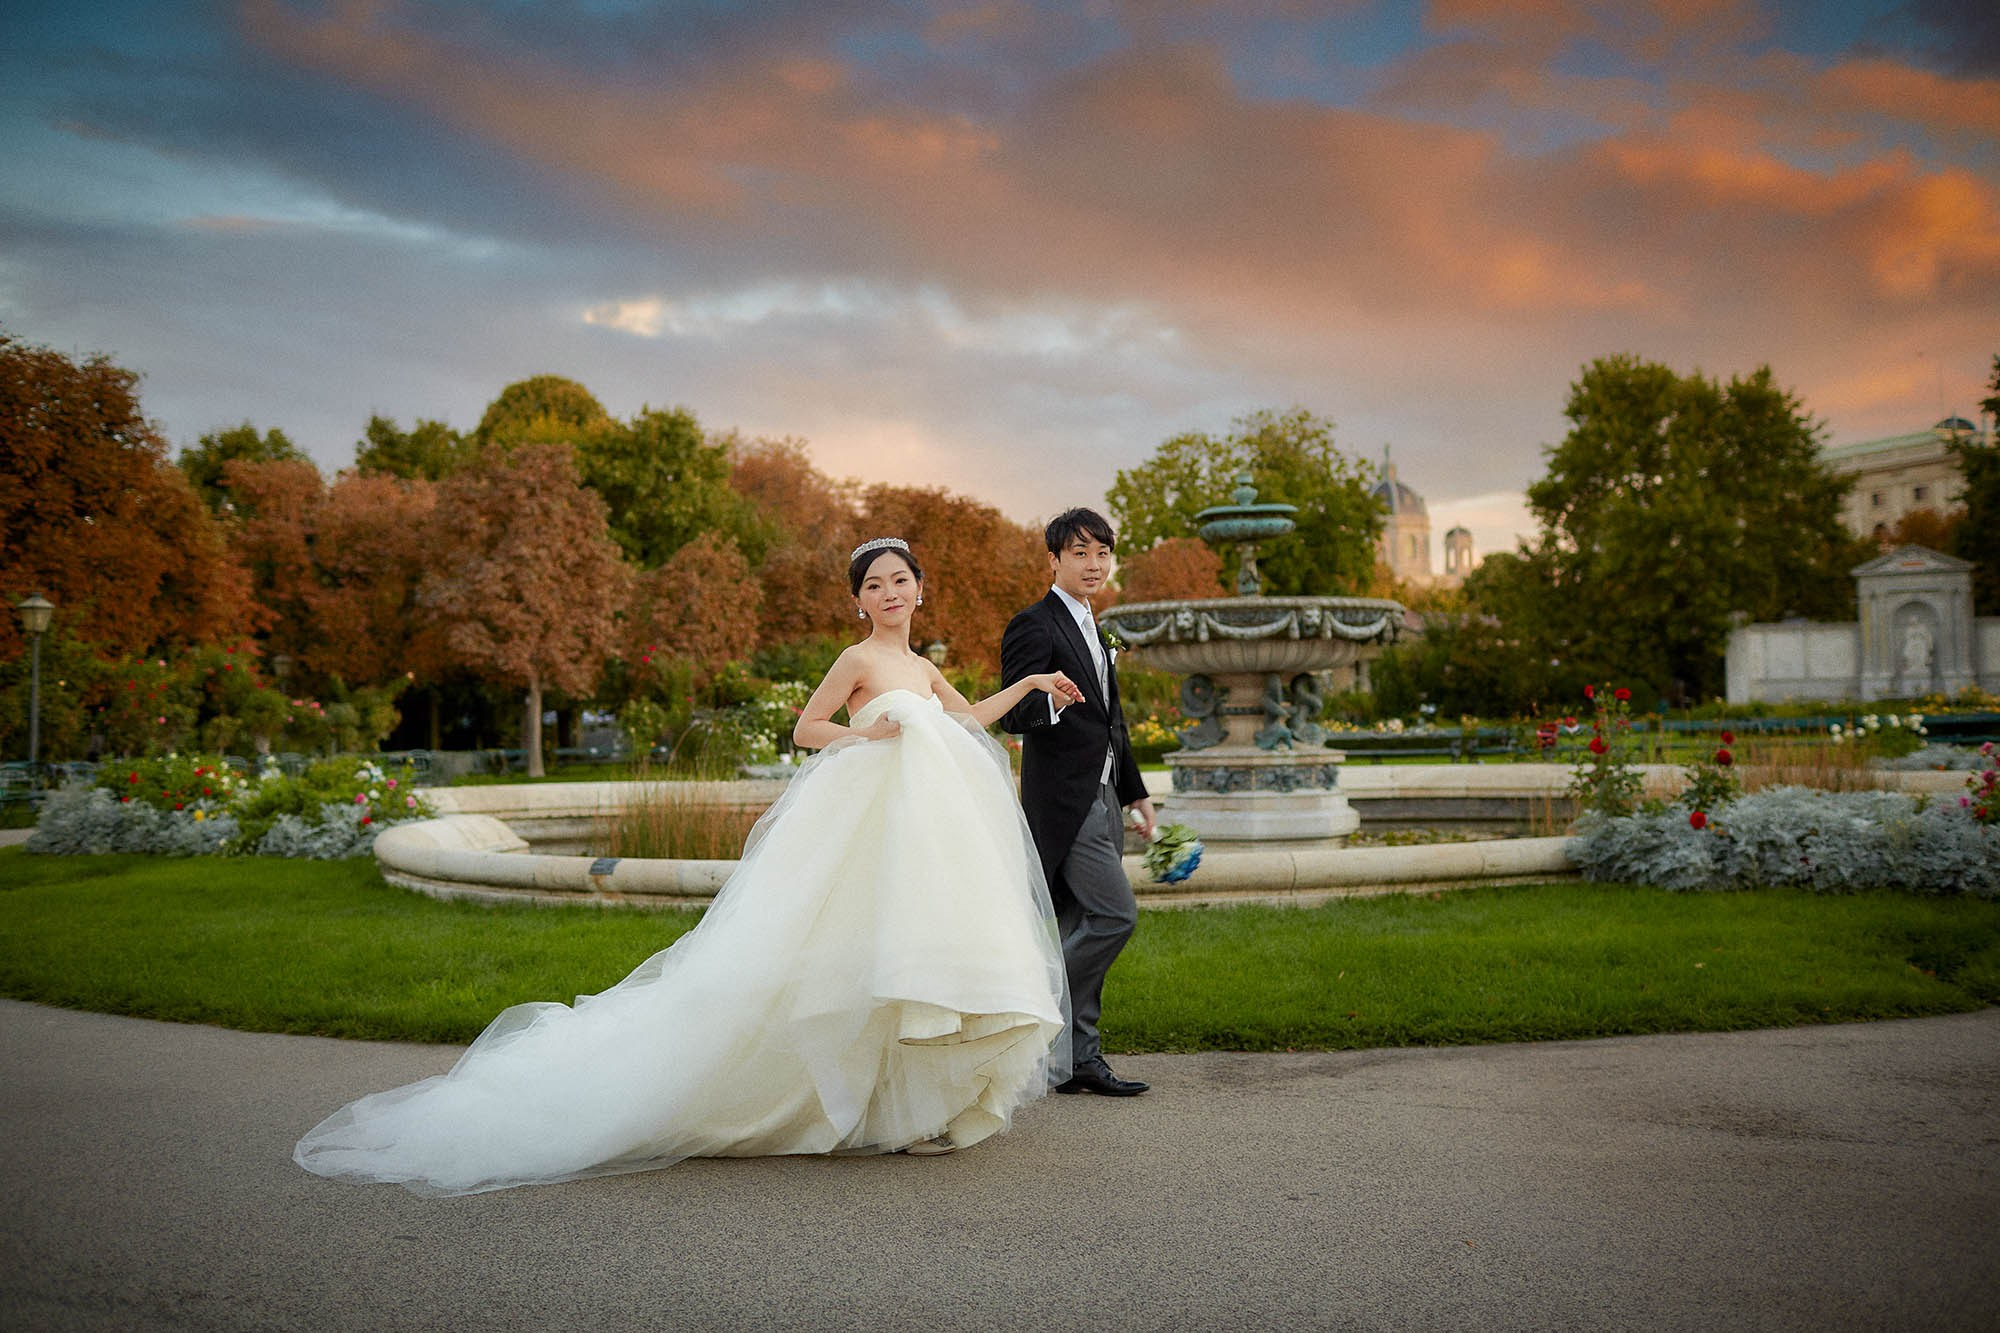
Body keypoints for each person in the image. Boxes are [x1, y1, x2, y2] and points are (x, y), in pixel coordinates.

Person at [295, 538, 1082, 1195]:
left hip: (912, 836)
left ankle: (899, 1108)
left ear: (920, 591)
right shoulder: (856, 658)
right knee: (819, 949)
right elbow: (805, 727)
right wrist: (864, 738)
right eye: (873, 585)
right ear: (858, 601)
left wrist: (1032, 682)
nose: (888, 593)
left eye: (899, 581)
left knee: (895, 954)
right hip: (859, 815)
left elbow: (964, 720)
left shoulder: (921, 666)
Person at [1000, 508, 1156, 1097]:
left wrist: (1136, 794)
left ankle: (1075, 1061)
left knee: (1079, 920)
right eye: (1080, 553)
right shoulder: (1033, 625)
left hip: (1106, 798)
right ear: (1054, 560)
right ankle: (1030, 1001)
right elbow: (1016, 711)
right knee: (1115, 917)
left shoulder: (1096, 625)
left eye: (1102, 553)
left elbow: (1114, 722)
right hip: (1067, 801)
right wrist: (1054, 701)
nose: (1094, 564)